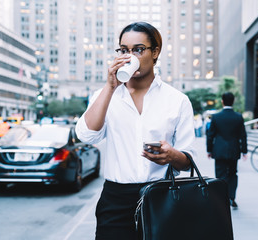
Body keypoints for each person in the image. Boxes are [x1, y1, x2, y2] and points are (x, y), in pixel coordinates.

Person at [75, 22, 195, 240]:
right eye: (123, 50)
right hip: (115, 200)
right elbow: (86, 135)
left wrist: (172, 156)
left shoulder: (177, 100)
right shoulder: (105, 96)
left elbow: (188, 161)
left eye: (138, 49)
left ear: (155, 52)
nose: (129, 56)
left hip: (162, 197)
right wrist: (110, 87)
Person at [206, 92, 247, 208]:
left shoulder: (216, 117)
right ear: (233, 101)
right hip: (234, 150)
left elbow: (210, 135)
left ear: (222, 101)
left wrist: (209, 150)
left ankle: (221, 198)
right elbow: (242, 135)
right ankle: (232, 197)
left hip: (219, 150)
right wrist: (244, 151)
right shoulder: (238, 117)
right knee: (233, 174)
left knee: (220, 175)